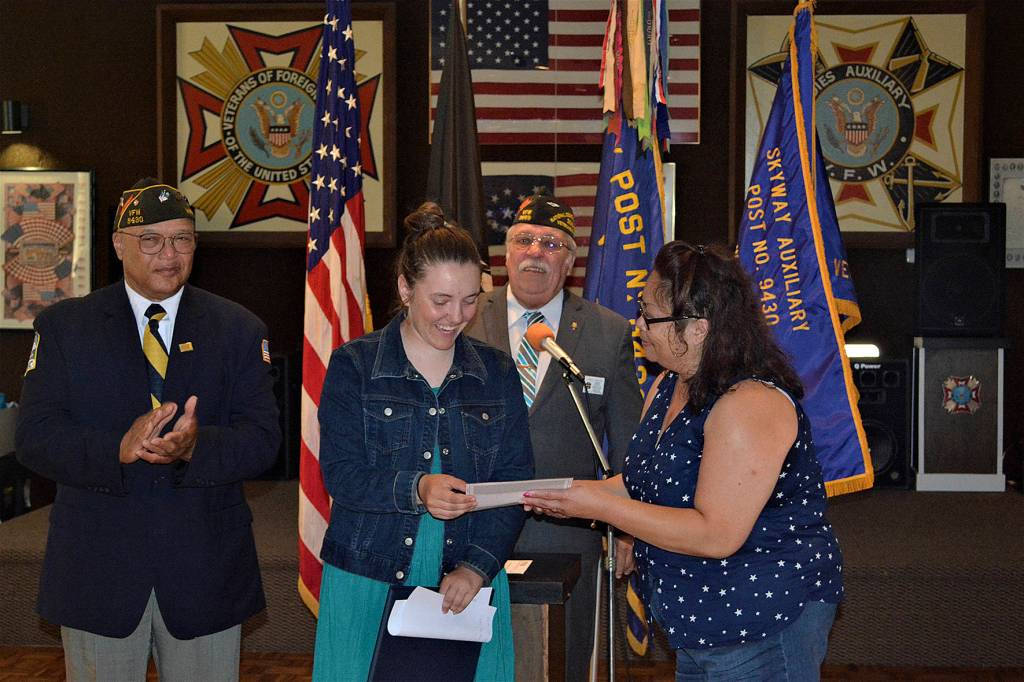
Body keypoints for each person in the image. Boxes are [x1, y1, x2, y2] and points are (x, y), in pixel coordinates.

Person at [522, 241, 845, 681]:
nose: (638, 325)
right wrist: (565, 493)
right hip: (696, 620)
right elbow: (641, 483)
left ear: (696, 329)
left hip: (760, 620)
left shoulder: (749, 402)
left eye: (649, 316)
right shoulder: (667, 386)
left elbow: (716, 534)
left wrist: (597, 507)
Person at [15, 179, 281, 681]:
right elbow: (35, 436)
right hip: (99, 570)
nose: (169, 253)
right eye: (151, 240)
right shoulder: (65, 328)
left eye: (182, 239)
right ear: (119, 244)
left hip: (205, 569)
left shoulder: (239, 329)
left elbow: (263, 439)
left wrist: (196, 446)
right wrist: (116, 447)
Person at [312, 202, 533, 681]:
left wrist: (478, 568)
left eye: (471, 299)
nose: (456, 316)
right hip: (367, 575)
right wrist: (417, 489)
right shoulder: (355, 366)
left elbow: (515, 483)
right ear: (405, 289)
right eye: (441, 300)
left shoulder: (495, 371)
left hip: (467, 582)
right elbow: (342, 476)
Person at [465, 194, 643, 680]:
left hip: (565, 529)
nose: (536, 252)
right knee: (475, 657)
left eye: (551, 243)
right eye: (524, 240)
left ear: (569, 261)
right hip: (470, 523)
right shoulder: (462, 320)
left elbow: (626, 440)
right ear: (506, 253)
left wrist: (627, 525)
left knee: (563, 656)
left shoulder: (608, 332)